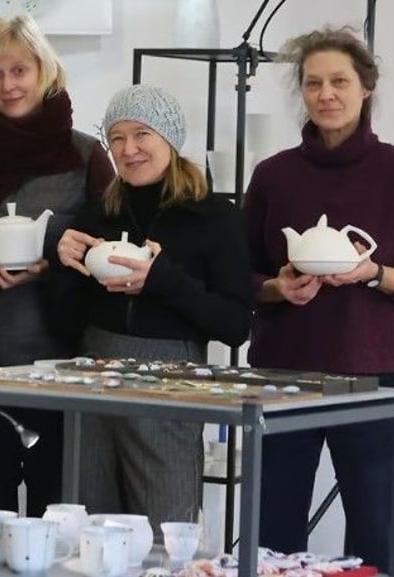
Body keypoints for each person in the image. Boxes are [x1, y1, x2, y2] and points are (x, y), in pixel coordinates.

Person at [243, 27, 394, 569]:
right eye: (313, 83)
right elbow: (237, 276)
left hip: (371, 378)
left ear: (365, 87)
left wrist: (373, 273)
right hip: (282, 376)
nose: (326, 94)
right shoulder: (273, 175)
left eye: (339, 82)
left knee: (377, 533)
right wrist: (277, 287)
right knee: (272, 533)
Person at [0, 14, 114, 517]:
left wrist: (52, 264)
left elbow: (109, 254)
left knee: (54, 519)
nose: (8, 85)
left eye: (19, 70)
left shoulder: (86, 156)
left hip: (60, 367)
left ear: (44, 72)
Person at [54, 84, 252, 536]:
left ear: (170, 137)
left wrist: (163, 281)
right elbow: (65, 317)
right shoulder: (97, 214)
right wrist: (61, 261)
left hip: (172, 378)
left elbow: (236, 324)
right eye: (117, 137)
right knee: (92, 529)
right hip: (92, 373)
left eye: (142, 134)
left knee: (167, 528)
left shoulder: (214, 217)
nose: (129, 149)